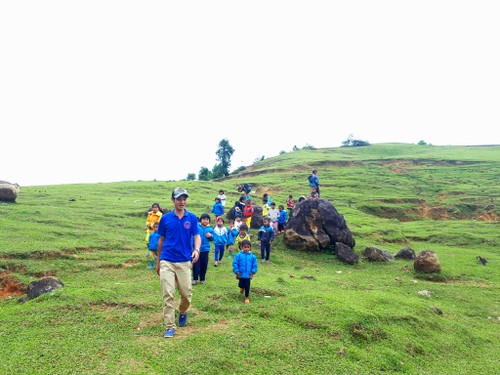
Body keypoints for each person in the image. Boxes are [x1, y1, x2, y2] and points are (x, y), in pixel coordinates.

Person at [156, 188, 201, 338]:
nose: (182, 202)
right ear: (173, 200)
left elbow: (196, 236)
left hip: (184, 261)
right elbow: (161, 241)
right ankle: (170, 326)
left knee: (186, 294)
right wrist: (158, 261)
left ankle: (182, 311)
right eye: (178, 199)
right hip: (167, 260)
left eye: (184, 199)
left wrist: (196, 249)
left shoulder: (192, 218)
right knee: (168, 293)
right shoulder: (165, 219)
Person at [232, 239, 258, 304]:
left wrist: (253, 272)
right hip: (240, 274)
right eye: (245, 247)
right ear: (241, 247)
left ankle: (246, 297)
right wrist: (237, 271)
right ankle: (242, 287)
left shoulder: (253, 257)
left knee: (247, 286)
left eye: (248, 247)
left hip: (248, 275)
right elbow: (235, 263)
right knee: (241, 284)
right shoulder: (238, 255)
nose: (246, 249)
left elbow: (254, 265)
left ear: (250, 248)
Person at [192, 213, 214, 285]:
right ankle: (195, 278)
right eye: (204, 219)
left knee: (204, 264)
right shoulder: (196, 227)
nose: (205, 221)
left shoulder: (210, 229)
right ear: (200, 220)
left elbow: (213, 239)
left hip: (205, 250)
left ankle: (202, 278)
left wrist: (210, 236)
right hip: (196, 250)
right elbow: (193, 237)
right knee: (195, 264)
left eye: (207, 219)